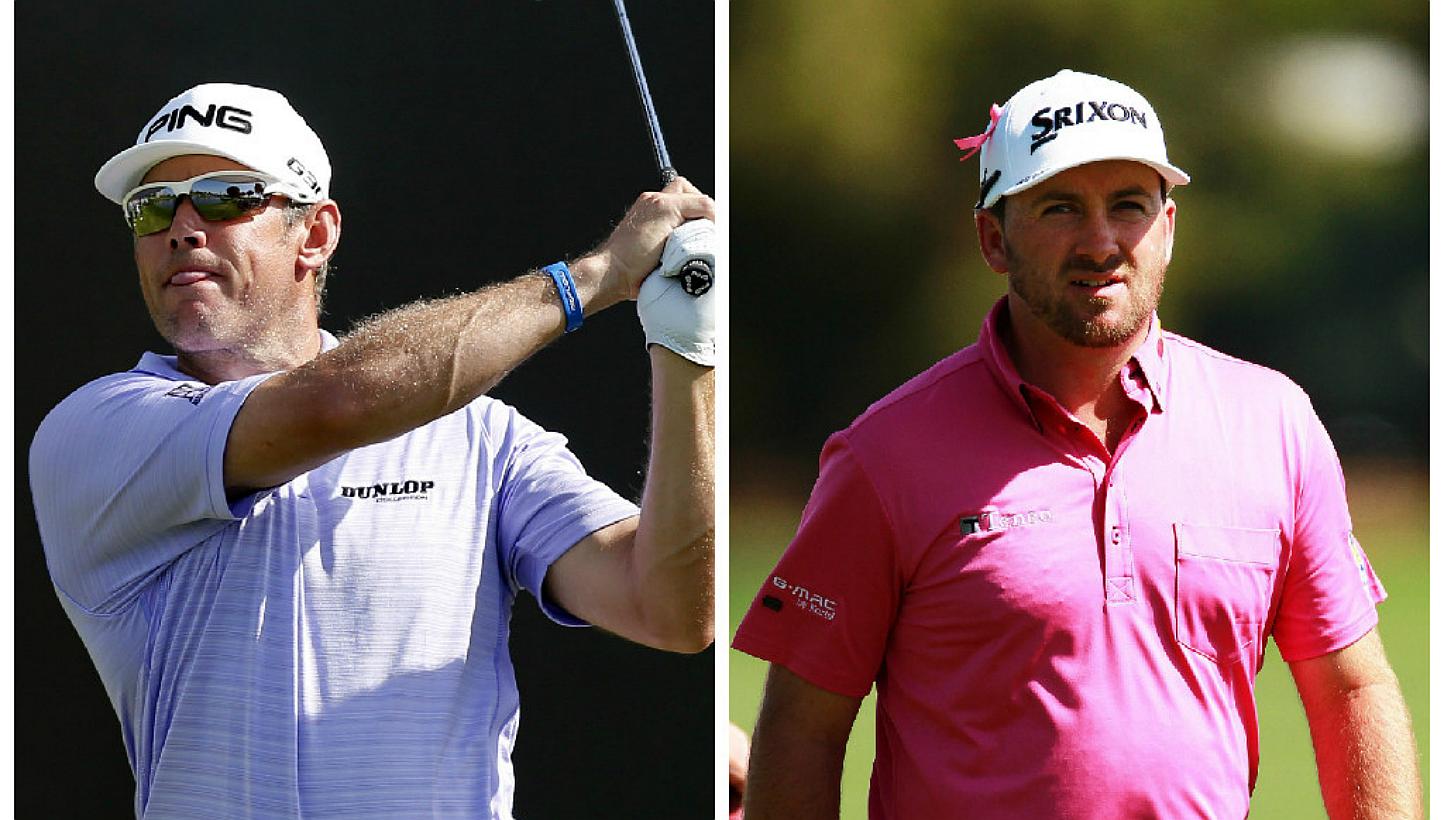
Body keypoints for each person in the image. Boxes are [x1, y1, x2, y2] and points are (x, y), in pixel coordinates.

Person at [732, 69, 1421, 819]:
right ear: (993, 238)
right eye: (1059, 207)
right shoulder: (884, 454)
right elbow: (803, 728)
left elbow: (1352, 688)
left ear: (1168, 228)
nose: (1100, 241)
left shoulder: (1275, 423)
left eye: (1128, 205)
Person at [30, 82, 716, 818]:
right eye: (152, 207)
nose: (183, 228)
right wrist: (599, 275)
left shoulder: (482, 439)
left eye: (226, 196)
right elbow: (333, 404)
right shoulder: (96, 430)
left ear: (315, 234)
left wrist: (688, 350)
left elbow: (670, 608)